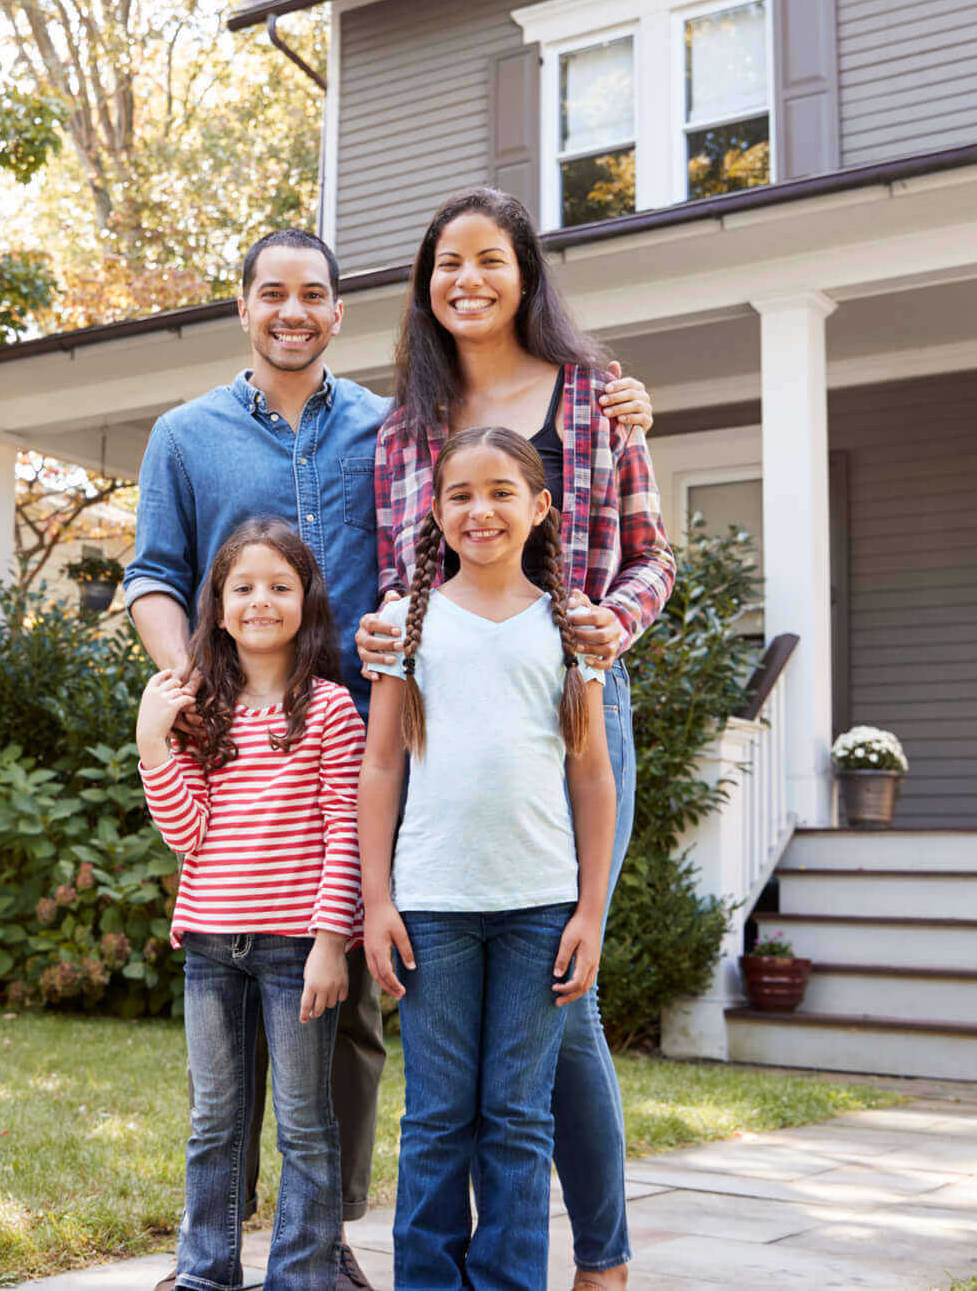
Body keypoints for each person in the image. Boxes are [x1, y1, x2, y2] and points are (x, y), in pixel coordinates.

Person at [124, 225, 653, 1291]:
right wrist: (194, 696)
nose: (291, 311)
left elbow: (605, 533)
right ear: (240, 305)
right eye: (270, 292)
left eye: (312, 293)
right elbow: (154, 576)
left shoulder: (416, 418)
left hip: (473, 701)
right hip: (325, 726)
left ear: (340, 309)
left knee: (471, 1012)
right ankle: (282, 1252)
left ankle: (563, 1254)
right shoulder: (209, 434)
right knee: (343, 994)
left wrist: (605, 603)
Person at [356, 187, 676, 1291]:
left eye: (490, 260)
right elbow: (391, 579)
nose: (468, 281)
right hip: (441, 721)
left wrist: (609, 624)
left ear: (525, 274)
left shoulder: (595, 397)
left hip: (573, 705)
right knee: (463, 1087)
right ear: (425, 283)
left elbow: (652, 558)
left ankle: (602, 1256)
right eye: (447, 262)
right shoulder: (401, 425)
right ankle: (547, 1262)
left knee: (563, 991)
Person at [357, 426, 616, 1291]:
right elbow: (382, 764)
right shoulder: (403, 626)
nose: (482, 510)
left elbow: (591, 775)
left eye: (502, 491)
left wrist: (589, 912)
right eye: (461, 494)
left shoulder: (571, 630)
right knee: (436, 1117)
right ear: (435, 510)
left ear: (541, 507)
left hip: (540, 909)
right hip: (431, 907)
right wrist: (377, 902)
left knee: (515, 1117)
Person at [137, 516, 365, 1291]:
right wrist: (153, 744)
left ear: (306, 601)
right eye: (243, 587)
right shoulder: (203, 711)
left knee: (304, 1122)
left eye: (279, 586)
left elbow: (347, 834)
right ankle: (205, 1274)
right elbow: (186, 832)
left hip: (297, 948)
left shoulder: (332, 709)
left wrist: (332, 943)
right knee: (215, 1123)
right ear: (218, 605)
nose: (260, 601)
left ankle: (301, 1278)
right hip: (209, 943)